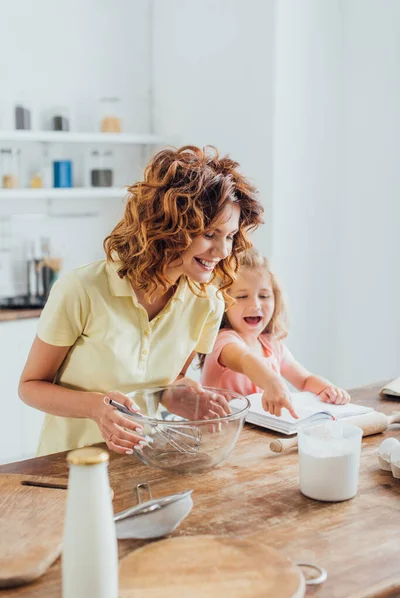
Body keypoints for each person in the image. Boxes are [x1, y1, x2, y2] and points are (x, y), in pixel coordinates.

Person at [19, 146, 264, 456]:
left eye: (229, 236)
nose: (223, 251)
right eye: (210, 234)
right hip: (66, 465)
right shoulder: (81, 289)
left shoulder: (207, 302)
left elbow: (165, 383)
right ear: (169, 226)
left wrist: (178, 397)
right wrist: (97, 408)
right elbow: (29, 386)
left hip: (145, 459)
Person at [200, 249, 350, 417]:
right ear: (224, 303)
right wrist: (272, 381)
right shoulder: (224, 341)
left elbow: (304, 379)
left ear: (275, 299)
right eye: (242, 296)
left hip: (258, 433)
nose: (256, 304)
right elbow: (244, 360)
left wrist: (328, 389)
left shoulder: (272, 344)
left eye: (264, 296)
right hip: (223, 433)